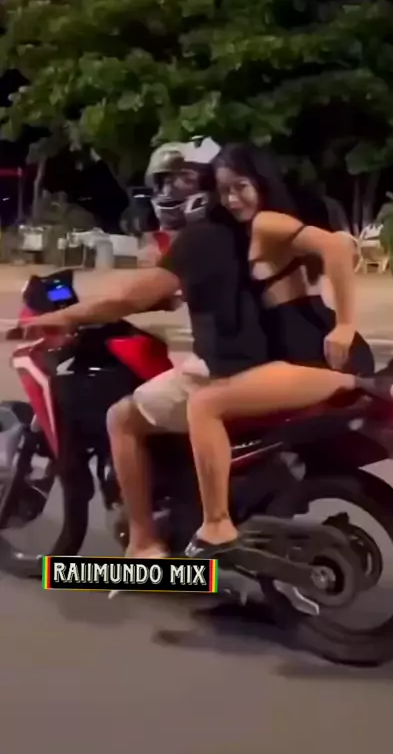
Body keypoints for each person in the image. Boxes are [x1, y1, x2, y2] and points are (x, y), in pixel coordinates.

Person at [17, 139, 272, 560]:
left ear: (209, 184)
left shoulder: (202, 238)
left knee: (121, 418)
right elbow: (167, 293)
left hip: (229, 368)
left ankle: (143, 544)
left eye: (184, 179)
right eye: (166, 182)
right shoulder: (242, 230)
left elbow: (130, 298)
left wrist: (65, 316)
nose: (171, 191)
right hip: (265, 362)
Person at [184, 143, 374, 559]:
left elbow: (337, 248)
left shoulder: (267, 221)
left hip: (315, 351)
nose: (232, 199)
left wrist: (345, 325)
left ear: (261, 182)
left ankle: (216, 525)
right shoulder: (247, 229)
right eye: (224, 191)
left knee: (204, 406)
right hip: (296, 350)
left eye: (241, 186)